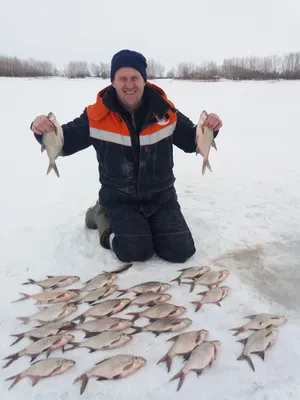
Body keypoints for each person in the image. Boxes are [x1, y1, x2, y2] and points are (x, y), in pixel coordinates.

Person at [31, 49, 222, 264]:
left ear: (144, 80)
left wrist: (210, 128)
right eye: (122, 78)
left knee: (181, 251)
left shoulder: (166, 112)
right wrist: (42, 130)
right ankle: (100, 215)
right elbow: (65, 142)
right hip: (120, 199)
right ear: (113, 81)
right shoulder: (96, 116)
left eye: (135, 78)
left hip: (161, 197)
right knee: (135, 252)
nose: (129, 85)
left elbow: (190, 140)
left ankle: (149, 225)